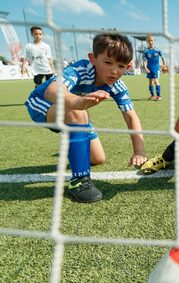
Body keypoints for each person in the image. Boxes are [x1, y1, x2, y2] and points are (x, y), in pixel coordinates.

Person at [24, 33, 147, 203]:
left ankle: (75, 141)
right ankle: (79, 181)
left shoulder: (117, 85)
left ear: (128, 67)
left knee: (97, 159)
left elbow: (131, 116)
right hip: (41, 104)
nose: (114, 70)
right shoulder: (81, 69)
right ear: (93, 59)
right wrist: (78, 102)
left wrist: (139, 151)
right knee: (79, 112)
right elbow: (51, 91)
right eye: (108, 62)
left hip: (74, 112)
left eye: (121, 65)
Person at [143, 34, 166, 101]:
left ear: (154, 41)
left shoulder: (157, 50)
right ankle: (152, 95)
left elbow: (163, 57)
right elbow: (144, 61)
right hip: (149, 68)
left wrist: (164, 65)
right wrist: (145, 68)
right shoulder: (146, 51)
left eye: (152, 40)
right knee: (150, 82)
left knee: (156, 81)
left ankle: (159, 96)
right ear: (147, 41)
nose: (150, 42)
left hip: (156, 68)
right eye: (149, 40)